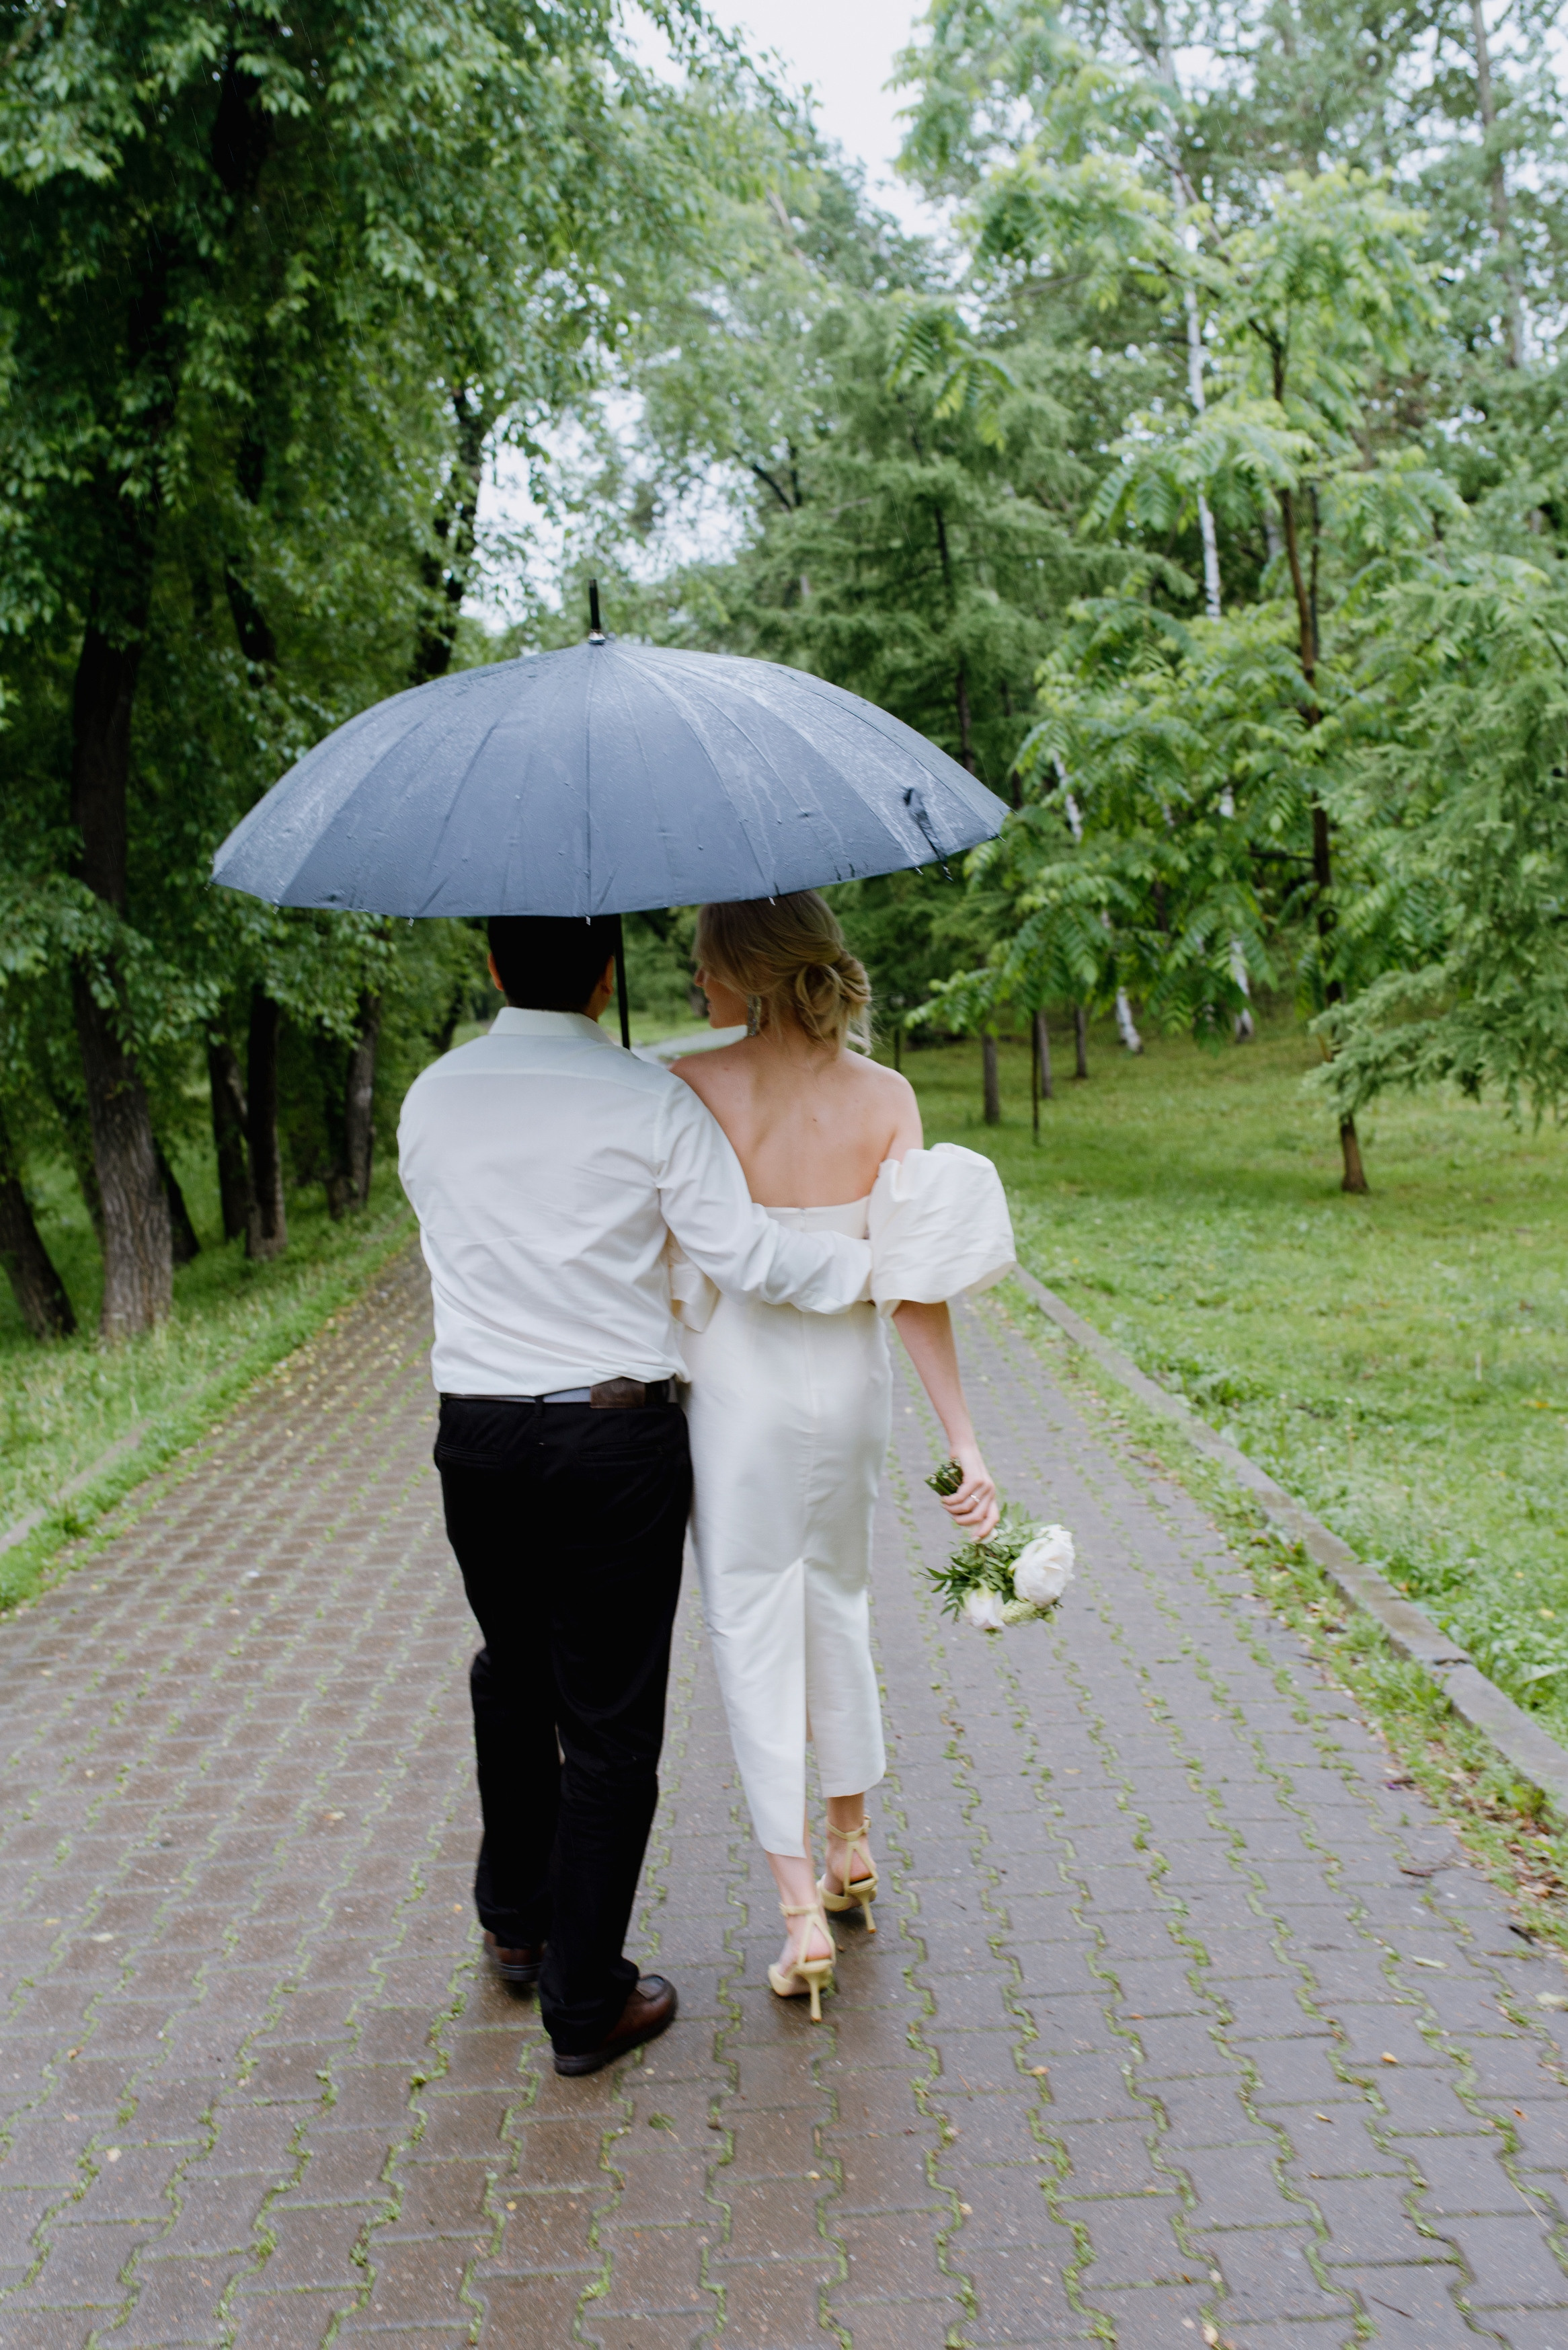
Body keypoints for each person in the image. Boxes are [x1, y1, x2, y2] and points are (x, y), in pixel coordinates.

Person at [397, 914, 873, 2076]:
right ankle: (585, 1998)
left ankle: (517, 1920)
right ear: (608, 973)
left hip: (477, 1434)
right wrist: (872, 1263)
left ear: (497, 964)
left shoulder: (431, 1097)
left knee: (513, 1671)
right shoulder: (648, 1100)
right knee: (609, 1723)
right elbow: (746, 1257)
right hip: (613, 1440)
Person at [670, 891, 1014, 2020]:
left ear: (751, 973)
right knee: (840, 1604)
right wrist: (964, 1441)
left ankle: (798, 1916)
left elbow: (678, 1260)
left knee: (752, 1626)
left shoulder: (692, 1086)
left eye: (707, 965)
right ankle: (852, 1845)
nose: (697, 986)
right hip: (852, 1390)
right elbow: (915, 1284)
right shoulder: (888, 1097)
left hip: (742, 1393)